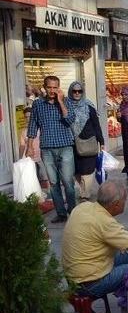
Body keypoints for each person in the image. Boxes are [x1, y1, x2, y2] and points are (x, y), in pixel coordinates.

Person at [62, 180, 128, 297]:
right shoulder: (104, 222)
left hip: (74, 276)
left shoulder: (82, 207)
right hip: (90, 283)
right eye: (124, 200)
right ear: (116, 204)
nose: (125, 202)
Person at [26, 76, 76, 223]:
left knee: (68, 181)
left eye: (55, 87)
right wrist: (29, 146)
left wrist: (60, 102)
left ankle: (73, 211)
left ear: (59, 88)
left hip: (65, 146)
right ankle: (61, 213)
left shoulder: (66, 102)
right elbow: (33, 126)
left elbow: (69, 119)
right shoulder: (37, 104)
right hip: (47, 148)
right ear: (44, 87)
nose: (52, 90)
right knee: (53, 183)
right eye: (50, 87)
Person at [66, 82, 103, 201]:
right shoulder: (65, 106)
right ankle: (83, 190)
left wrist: (101, 141)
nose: (77, 93)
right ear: (70, 92)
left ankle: (85, 194)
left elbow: (96, 124)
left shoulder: (88, 106)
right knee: (76, 170)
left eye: (79, 91)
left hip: (88, 141)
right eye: (74, 91)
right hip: (72, 142)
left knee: (88, 170)